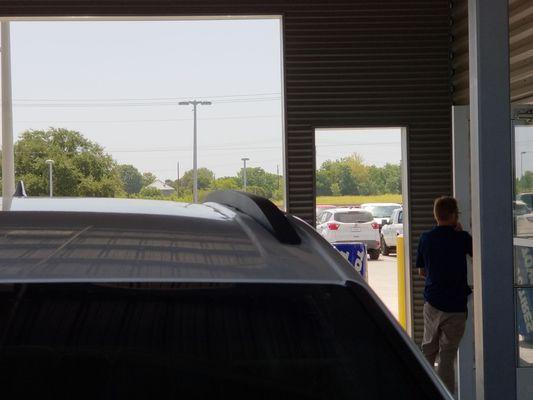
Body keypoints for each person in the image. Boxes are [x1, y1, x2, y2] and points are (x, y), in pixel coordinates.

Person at [416, 196, 472, 394]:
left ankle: (424, 389)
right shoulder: (463, 238)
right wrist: (460, 231)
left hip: (432, 303)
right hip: (456, 306)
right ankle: (446, 395)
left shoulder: (426, 238)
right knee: (447, 357)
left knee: (428, 349)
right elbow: (479, 256)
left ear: (436, 215)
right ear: (454, 215)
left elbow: (422, 272)